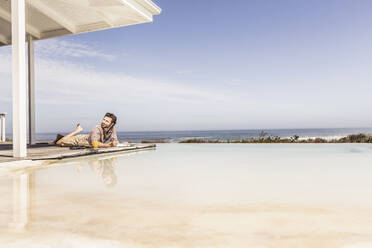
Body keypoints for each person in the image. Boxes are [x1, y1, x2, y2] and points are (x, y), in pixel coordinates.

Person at [54, 113, 119, 148]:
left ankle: (77, 131)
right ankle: (77, 130)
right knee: (58, 143)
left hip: (89, 137)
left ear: (111, 124)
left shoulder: (112, 128)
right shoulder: (97, 128)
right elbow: (95, 144)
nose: (103, 122)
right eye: (103, 119)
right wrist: (108, 145)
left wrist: (114, 142)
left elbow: (114, 140)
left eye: (106, 121)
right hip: (80, 140)